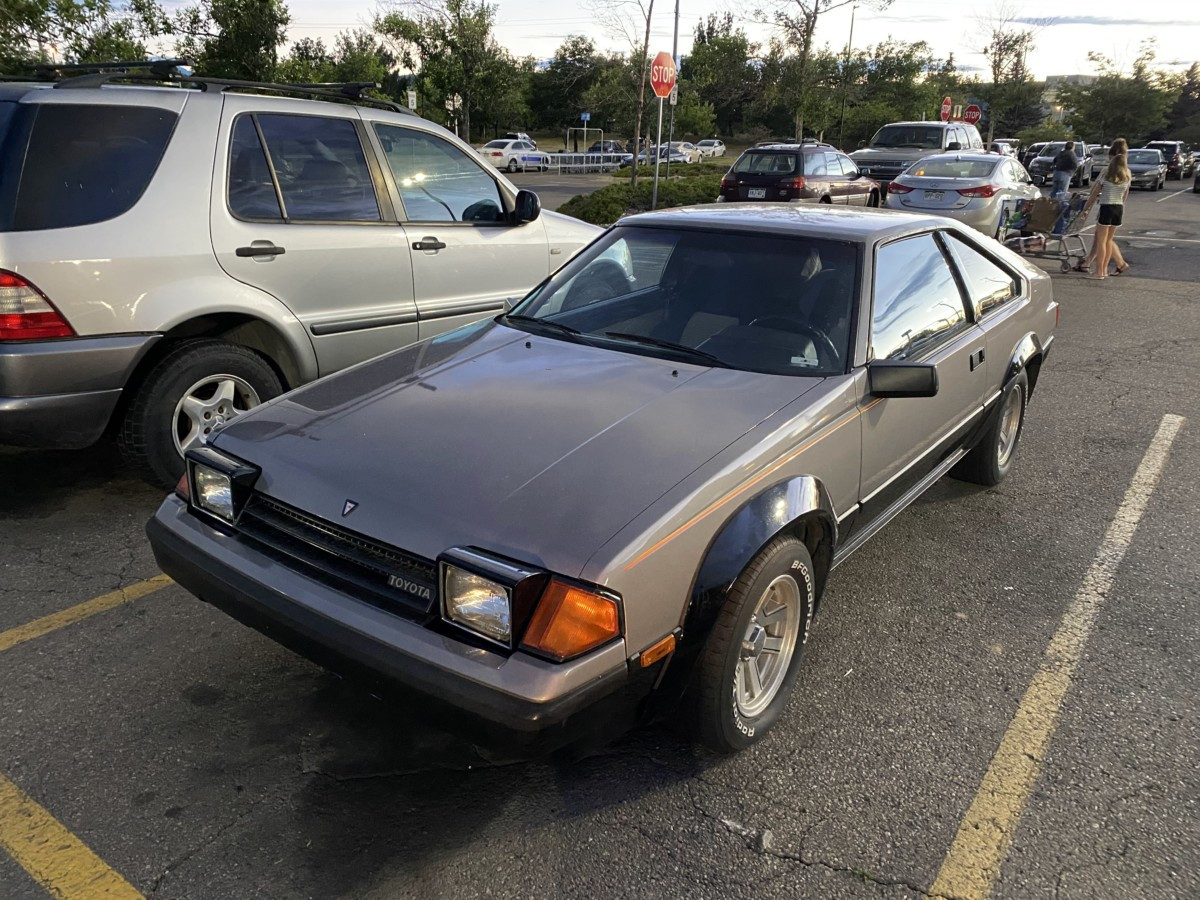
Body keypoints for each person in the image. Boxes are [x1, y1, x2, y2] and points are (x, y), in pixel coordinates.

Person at [1079, 138, 1131, 279]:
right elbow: (1125, 196)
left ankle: (1100, 271)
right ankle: (1105, 270)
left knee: (1101, 242)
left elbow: (1094, 193)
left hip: (1106, 207)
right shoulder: (1127, 175)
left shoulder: (1106, 174)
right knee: (1109, 241)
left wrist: (1085, 209)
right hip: (1118, 209)